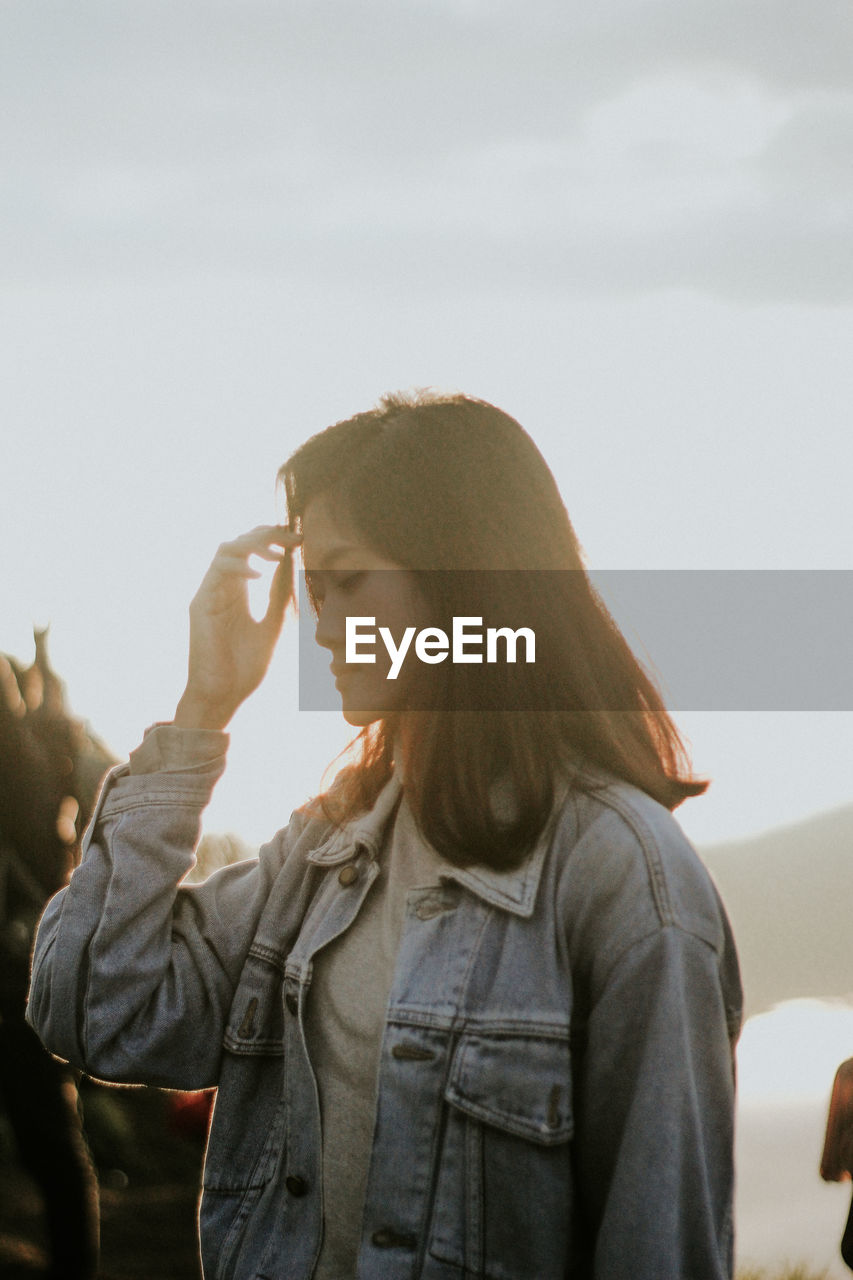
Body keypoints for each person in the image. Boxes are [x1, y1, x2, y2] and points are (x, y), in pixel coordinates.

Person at [27, 391, 743, 1280]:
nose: (320, 627)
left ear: (463, 578)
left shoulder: (624, 879)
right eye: (311, 590)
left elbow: (659, 1250)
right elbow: (90, 1006)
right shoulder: (323, 855)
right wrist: (202, 708)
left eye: (348, 581)